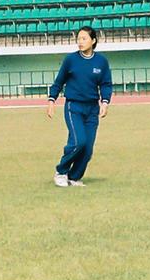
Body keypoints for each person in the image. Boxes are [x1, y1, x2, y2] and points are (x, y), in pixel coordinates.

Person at [47, 26, 113, 187]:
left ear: (93, 41)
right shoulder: (71, 60)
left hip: (92, 109)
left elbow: (106, 84)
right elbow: (59, 82)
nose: (80, 41)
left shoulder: (101, 62)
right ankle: (61, 171)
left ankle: (73, 177)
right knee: (78, 142)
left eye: (84, 38)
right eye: (79, 38)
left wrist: (105, 102)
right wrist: (51, 101)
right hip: (73, 107)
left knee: (88, 149)